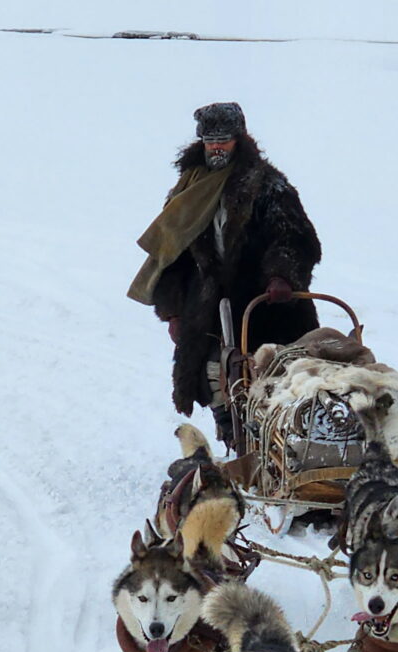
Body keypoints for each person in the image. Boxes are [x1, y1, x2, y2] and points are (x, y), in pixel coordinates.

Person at [127, 102, 322, 441]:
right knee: (214, 373)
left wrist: (282, 276)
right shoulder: (188, 189)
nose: (217, 147)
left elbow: (294, 237)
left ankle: (281, 442)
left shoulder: (267, 185)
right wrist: (173, 310)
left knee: (277, 375)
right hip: (206, 302)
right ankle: (232, 435)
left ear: (239, 139)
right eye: (210, 140)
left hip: (265, 302)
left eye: (224, 140)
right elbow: (172, 252)